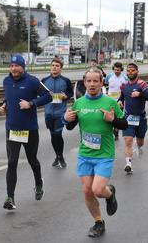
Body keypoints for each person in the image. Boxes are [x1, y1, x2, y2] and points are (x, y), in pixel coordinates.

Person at [63, 67, 128, 238]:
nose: (92, 84)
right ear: (84, 83)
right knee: (87, 191)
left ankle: (110, 193)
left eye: (95, 81)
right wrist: (66, 119)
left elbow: (124, 124)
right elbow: (70, 126)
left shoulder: (109, 103)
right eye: (89, 81)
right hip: (85, 155)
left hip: (104, 155)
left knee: (98, 190)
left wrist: (112, 119)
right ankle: (99, 222)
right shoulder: (79, 103)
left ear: (101, 83)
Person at [0, 54, 52, 210]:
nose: (14, 69)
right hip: (12, 129)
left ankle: (38, 183)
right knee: (12, 162)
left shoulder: (32, 81)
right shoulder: (6, 81)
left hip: (29, 129)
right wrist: (4, 105)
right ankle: (10, 197)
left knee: (32, 160)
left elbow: (47, 96)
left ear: (23, 67)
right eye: (11, 66)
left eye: (17, 66)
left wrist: (31, 103)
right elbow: (8, 98)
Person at [118, 63, 148, 173]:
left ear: (137, 72)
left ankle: (139, 147)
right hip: (128, 118)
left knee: (140, 141)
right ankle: (128, 164)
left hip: (141, 118)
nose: (130, 72)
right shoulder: (124, 85)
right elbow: (122, 97)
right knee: (128, 141)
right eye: (128, 71)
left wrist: (140, 94)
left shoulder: (142, 84)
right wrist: (119, 102)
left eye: (132, 70)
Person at [41, 57, 73, 168]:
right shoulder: (44, 81)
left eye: (57, 66)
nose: (54, 67)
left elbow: (70, 93)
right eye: (53, 65)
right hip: (48, 113)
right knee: (53, 135)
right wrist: (46, 95)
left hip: (60, 113)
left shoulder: (66, 81)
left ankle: (60, 156)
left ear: (61, 68)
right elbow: (40, 96)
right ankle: (57, 156)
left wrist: (65, 96)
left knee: (58, 135)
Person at [105, 62, 128, 140]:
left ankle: (116, 132)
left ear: (121, 70)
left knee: (117, 117)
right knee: (109, 115)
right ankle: (110, 131)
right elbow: (104, 85)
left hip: (119, 100)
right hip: (109, 100)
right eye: (115, 70)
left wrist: (124, 98)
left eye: (118, 70)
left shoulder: (125, 78)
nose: (116, 71)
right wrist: (106, 93)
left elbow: (126, 88)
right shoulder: (109, 76)